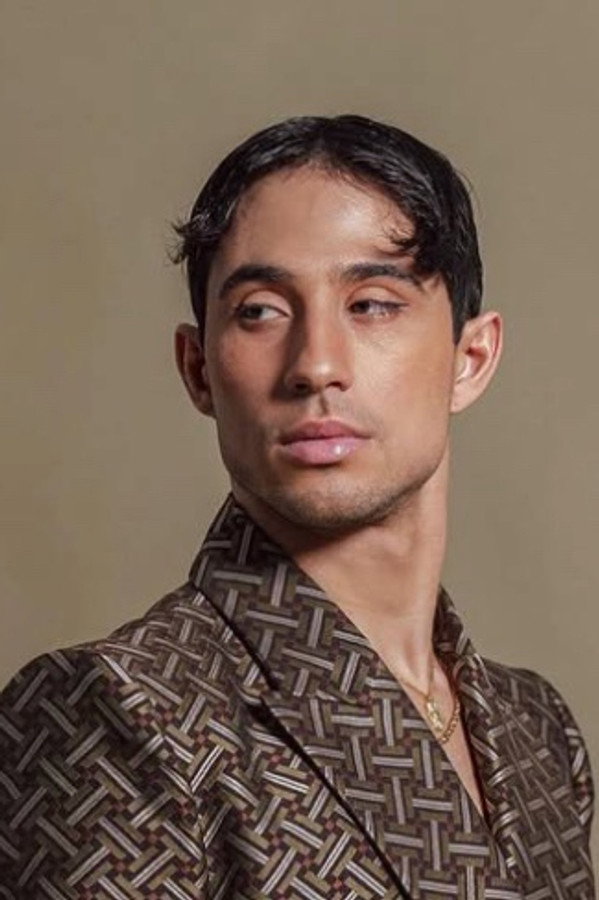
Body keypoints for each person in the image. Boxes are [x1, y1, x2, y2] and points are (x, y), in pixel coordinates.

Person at [0, 115, 594, 900]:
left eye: (372, 303)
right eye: (259, 311)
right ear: (198, 368)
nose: (315, 364)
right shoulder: (115, 707)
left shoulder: (534, 727)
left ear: (470, 357)